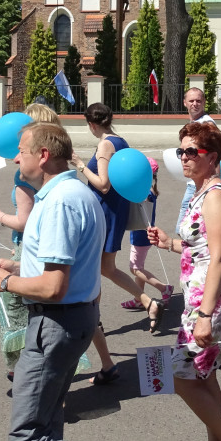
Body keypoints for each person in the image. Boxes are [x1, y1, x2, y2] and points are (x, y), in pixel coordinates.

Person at [0, 122, 105, 441]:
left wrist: (4, 283)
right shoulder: (76, 193)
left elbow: (53, 286)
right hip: (72, 319)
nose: (16, 158)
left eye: (22, 151)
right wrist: (17, 266)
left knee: (27, 435)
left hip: (56, 323)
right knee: (48, 421)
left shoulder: (58, 204)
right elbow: (68, 266)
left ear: (44, 155)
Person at [146, 121, 221, 441]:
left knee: (181, 377)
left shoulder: (216, 196)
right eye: (181, 151)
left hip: (213, 303)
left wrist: (206, 315)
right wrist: (169, 243)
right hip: (201, 299)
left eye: (192, 151)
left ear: (212, 158)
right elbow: (200, 248)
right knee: (203, 377)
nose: (184, 157)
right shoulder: (200, 192)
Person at [71, 103, 161, 384]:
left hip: (104, 213)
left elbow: (104, 184)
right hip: (115, 211)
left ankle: (94, 324)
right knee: (105, 268)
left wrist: (80, 165)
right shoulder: (121, 140)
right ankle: (144, 302)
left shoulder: (105, 145)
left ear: (92, 124)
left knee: (98, 269)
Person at [0, 102, 61, 377]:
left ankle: (24, 367)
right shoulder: (58, 172)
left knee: (20, 305)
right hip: (51, 243)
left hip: (28, 246)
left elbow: (24, 222)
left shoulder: (24, 177)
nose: (17, 152)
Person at [123, 158, 174, 308]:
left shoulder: (145, 193)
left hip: (141, 235)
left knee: (135, 268)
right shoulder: (151, 190)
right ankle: (139, 298)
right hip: (143, 234)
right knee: (140, 266)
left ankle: (163, 288)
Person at [175, 87, 216, 234]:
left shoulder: (207, 124)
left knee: (183, 228)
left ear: (204, 102)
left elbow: (214, 155)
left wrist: (212, 182)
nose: (195, 103)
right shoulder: (194, 122)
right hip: (195, 181)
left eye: (198, 100)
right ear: (185, 103)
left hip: (201, 183)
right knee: (191, 227)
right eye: (191, 100)